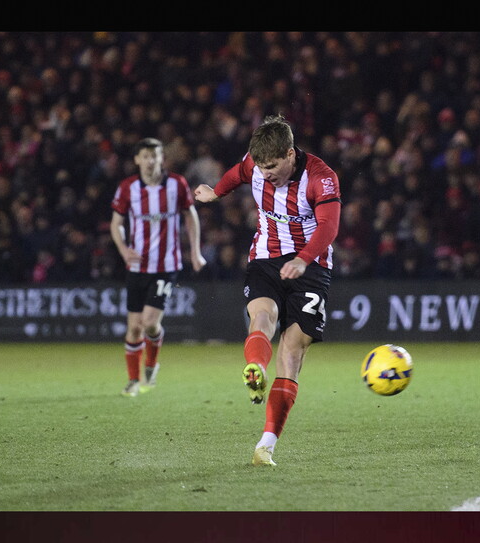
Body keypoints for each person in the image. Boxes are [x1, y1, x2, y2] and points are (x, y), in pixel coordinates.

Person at [194, 114, 341, 467]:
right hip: (265, 258)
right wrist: (217, 191)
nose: (266, 173)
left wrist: (304, 259)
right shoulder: (256, 166)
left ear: (290, 154)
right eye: (261, 167)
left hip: (311, 266)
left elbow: (329, 227)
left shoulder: (321, 178)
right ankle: (255, 370)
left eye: (273, 166)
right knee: (262, 316)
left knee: (294, 345)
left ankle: (266, 444)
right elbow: (238, 173)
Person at [110, 137, 206, 397]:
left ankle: (151, 364)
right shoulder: (128, 187)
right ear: (137, 160)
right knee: (134, 328)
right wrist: (122, 249)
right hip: (137, 267)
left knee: (149, 323)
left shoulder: (177, 184)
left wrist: (195, 252)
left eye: (156, 156)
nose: (151, 160)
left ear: (162, 158)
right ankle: (133, 381)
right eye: (146, 156)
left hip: (166, 267)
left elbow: (190, 216)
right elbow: (116, 223)